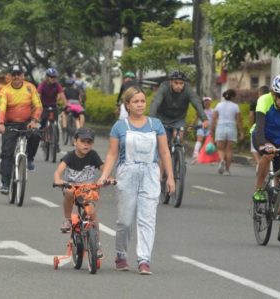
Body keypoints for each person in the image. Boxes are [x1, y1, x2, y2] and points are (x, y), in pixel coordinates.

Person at [98, 86, 175, 275]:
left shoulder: (155, 124)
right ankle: (120, 254)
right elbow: (112, 153)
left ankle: (144, 259)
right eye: (135, 102)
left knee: (147, 219)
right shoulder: (119, 126)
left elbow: (164, 152)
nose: (140, 105)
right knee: (124, 221)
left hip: (150, 173)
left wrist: (170, 177)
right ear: (127, 105)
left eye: (142, 101)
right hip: (127, 173)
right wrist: (104, 176)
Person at [53, 127, 105, 257]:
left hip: (87, 189)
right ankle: (67, 219)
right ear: (75, 141)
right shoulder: (69, 156)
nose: (86, 144)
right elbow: (58, 172)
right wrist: (58, 180)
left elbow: (104, 169)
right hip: (72, 187)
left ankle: (97, 244)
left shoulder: (93, 155)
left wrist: (105, 178)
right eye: (82, 141)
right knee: (69, 192)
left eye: (89, 142)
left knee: (92, 213)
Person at [0, 65, 42, 193]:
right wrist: (1, 123)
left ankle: (30, 158)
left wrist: (34, 121)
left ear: (23, 75)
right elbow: (1, 108)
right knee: (7, 153)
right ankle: (5, 183)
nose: (16, 76)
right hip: (9, 124)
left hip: (27, 122)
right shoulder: (4, 91)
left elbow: (38, 105)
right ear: (10, 76)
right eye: (14, 74)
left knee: (36, 134)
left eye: (19, 74)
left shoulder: (30, 87)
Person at [251, 75, 280, 204]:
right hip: (263, 135)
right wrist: (263, 144)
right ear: (273, 94)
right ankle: (259, 189)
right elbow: (259, 126)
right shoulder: (264, 100)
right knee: (268, 155)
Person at [149, 70, 208, 143]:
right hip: (163, 119)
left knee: (179, 138)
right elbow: (155, 102)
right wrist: (152, 120)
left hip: (179, 119)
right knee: (164, 141)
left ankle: (178, 151)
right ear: (171, 82)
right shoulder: (164, 87)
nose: (179, 86)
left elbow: (196, 102)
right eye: (176, 83)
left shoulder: (187, 88)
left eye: (181, 83)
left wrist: (204, 119)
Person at [210, 89, 244, 176]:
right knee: (229, 149)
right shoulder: (236, 106)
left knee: (220, 148)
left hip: (220, 126)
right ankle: (227, 170)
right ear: (233, 97)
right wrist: (241, 132)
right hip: (231, 127)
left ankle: (221, 160)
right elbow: (239, 120)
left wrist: (211, 130)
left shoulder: (218, 105)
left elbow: (214, 118)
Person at [249, 85, 269, 168]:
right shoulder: (271, 102)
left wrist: (251, 124)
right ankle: (263, 164)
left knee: (254, 148)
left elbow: (251, 115)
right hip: (269, 127)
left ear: (259, 93)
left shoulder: (255, 102)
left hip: (257, 126)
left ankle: (258, 163)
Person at [191, 96, 214, 163]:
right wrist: (192, 125)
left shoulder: (213, 111)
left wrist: (214, 128)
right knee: (199, 140)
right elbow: (195, 118)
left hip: (209, 129)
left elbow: (215, 120)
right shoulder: (200, 110)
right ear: (203, 102)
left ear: (210, 102)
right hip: (201, 127)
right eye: (205, 101)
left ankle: (210, 158)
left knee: (209, 143)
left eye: (208, 101)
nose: (207, 102)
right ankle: (195, 156)